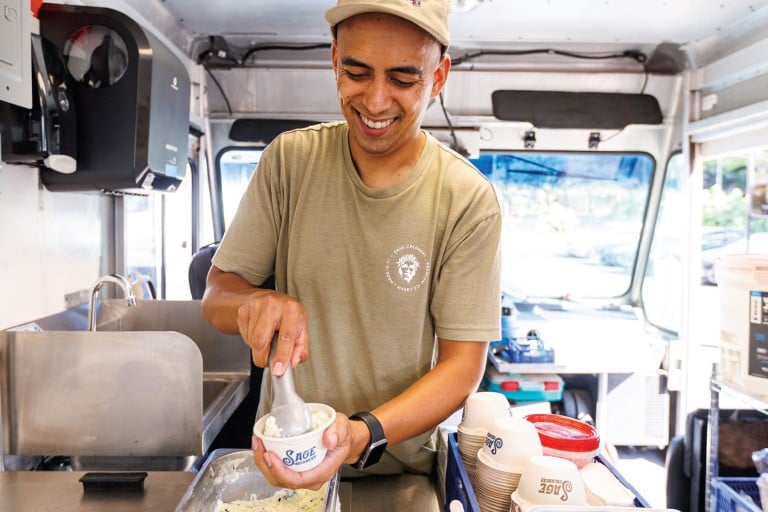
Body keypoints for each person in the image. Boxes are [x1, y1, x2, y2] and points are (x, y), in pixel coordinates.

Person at [201, 0, 502, 491]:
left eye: (404, 80)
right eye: (356, 72)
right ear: (334, 60)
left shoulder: (467, 201)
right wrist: (254, 303)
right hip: (284, 470)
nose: (377, 101)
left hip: (398, 476)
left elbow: (462, 365)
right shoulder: (290, 163)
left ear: (439, 76)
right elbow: (217, 294)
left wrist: (364, 434)